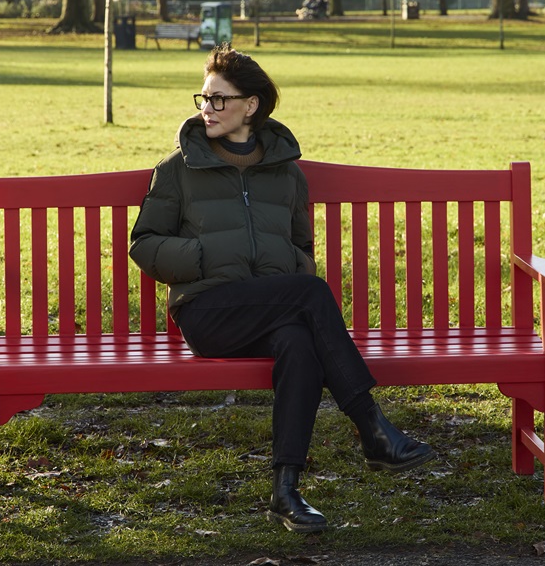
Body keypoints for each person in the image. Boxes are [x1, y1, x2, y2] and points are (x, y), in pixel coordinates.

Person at [129, 44, 434, 534]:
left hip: (271, 309)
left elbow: (299, 244)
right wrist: (205, 257)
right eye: (202, 99)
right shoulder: (178, 170)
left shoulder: (285, 172)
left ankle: (285, 491)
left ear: (251, 106)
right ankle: (373, 429)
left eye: (218, 100)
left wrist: (285, 274)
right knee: (311, 293)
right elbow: (143, 243)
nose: (206, 109)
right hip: (209, 311)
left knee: (299, 344)